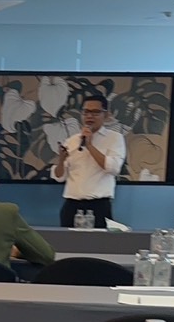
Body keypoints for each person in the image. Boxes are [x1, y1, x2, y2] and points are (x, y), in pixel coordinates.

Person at [51, 92, 126, 228]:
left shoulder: (114, 138)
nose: (89, 116)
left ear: (106, 114)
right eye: (86, 112)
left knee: (99, 241)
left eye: (95, 112)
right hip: (71, 205)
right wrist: (61, 160)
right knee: (67, 241)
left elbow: (114, 168)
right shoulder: (72, 141)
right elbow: (59, 177)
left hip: (99, 205)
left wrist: (89, 145)